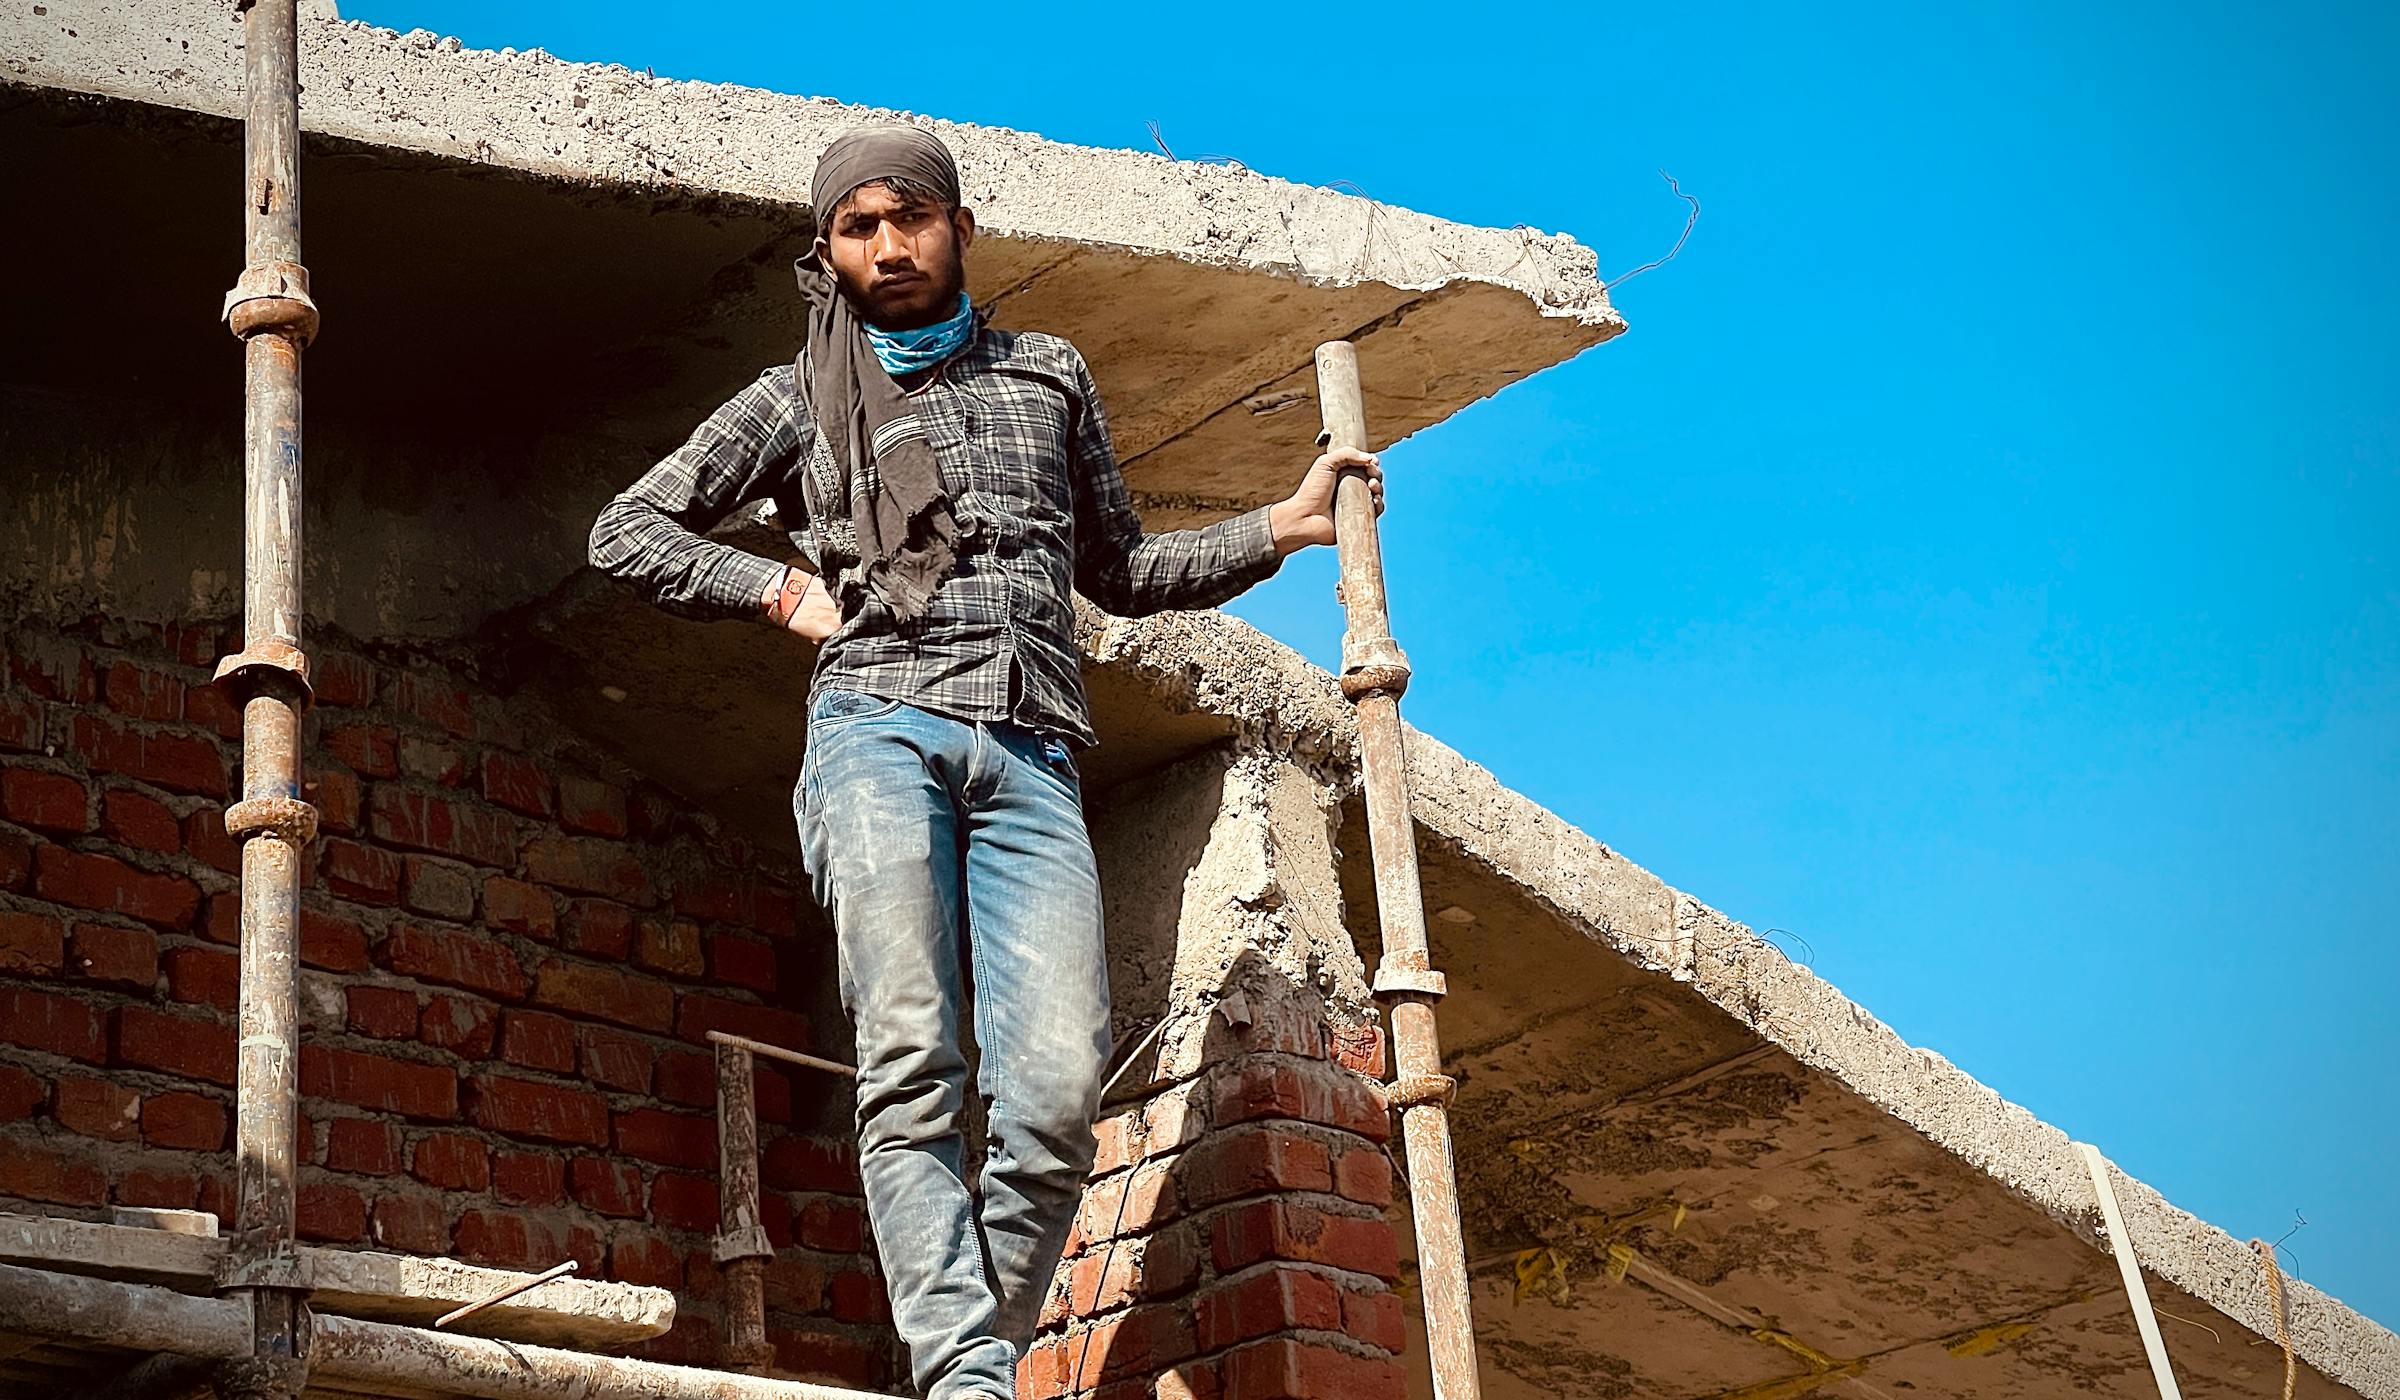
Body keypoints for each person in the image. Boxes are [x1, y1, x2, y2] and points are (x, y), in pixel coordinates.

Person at [588, 124, 1382, 1399]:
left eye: (909, 218)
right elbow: (627, 528)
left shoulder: (1047, 374)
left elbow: (1117, 568)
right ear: (828, 251)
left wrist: (1277, 528)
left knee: (1057, 1094)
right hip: (876, 728)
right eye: (858, 227)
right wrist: (781, 593)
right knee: (913, 1063)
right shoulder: (796, 396)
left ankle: (972, 1358)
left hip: (1032, 747)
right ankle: (968, 1378)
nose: (888, 245)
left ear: (958, 228)